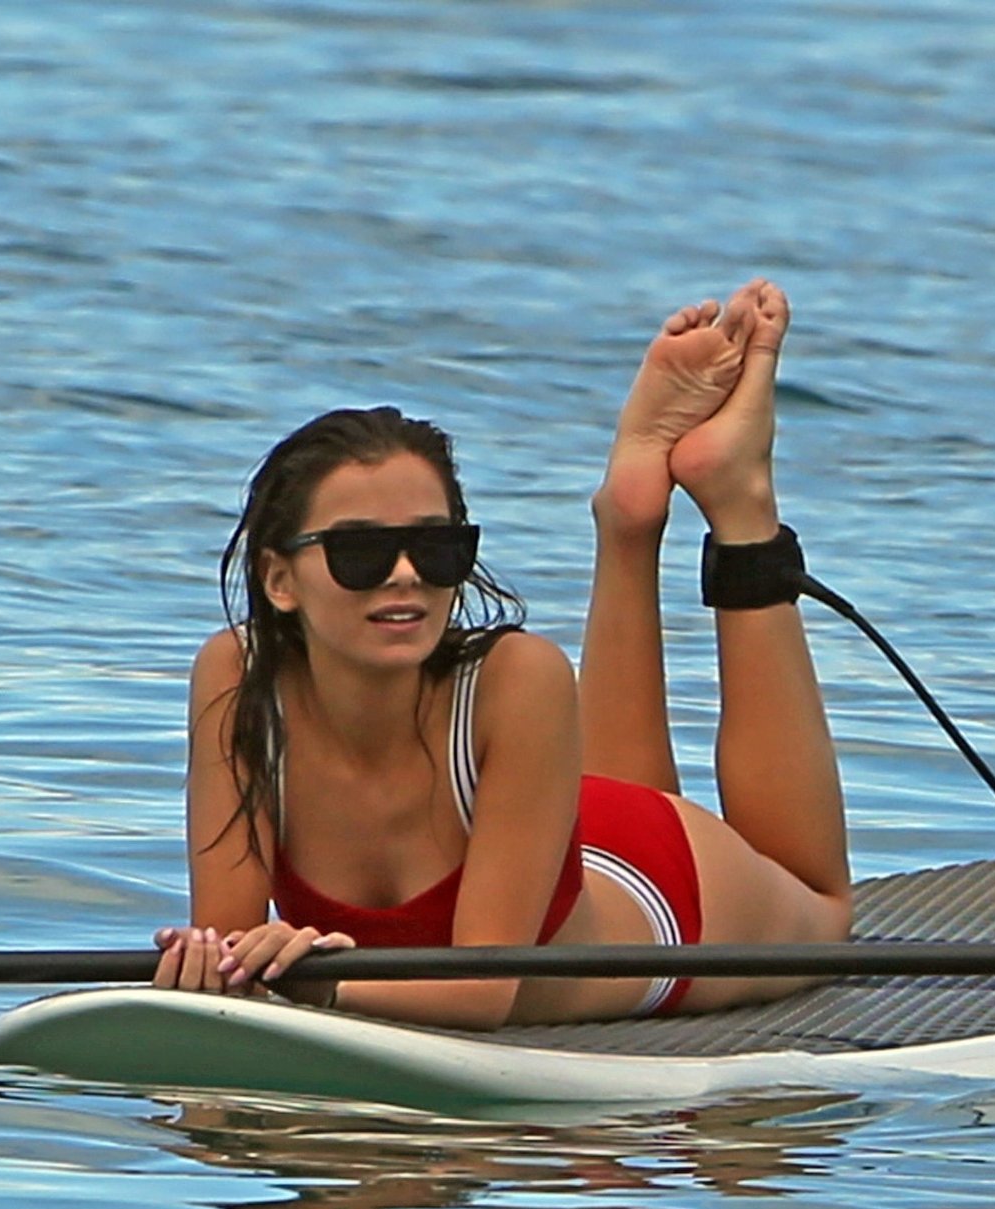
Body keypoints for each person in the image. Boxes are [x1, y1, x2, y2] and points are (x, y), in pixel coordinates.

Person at [153, 279, 851, 1029]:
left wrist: (311, 987)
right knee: (599, 797)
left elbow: (484, 992)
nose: (406, 574)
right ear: (279, 579)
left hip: (662, 887)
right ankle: (632, 509)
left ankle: (740, 502)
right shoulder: (235, 679)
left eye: (435, 547)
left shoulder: (517, 677)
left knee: (825, 913)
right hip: (550, 828)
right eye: (361, 551)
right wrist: (213, 964)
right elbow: (232, 949)